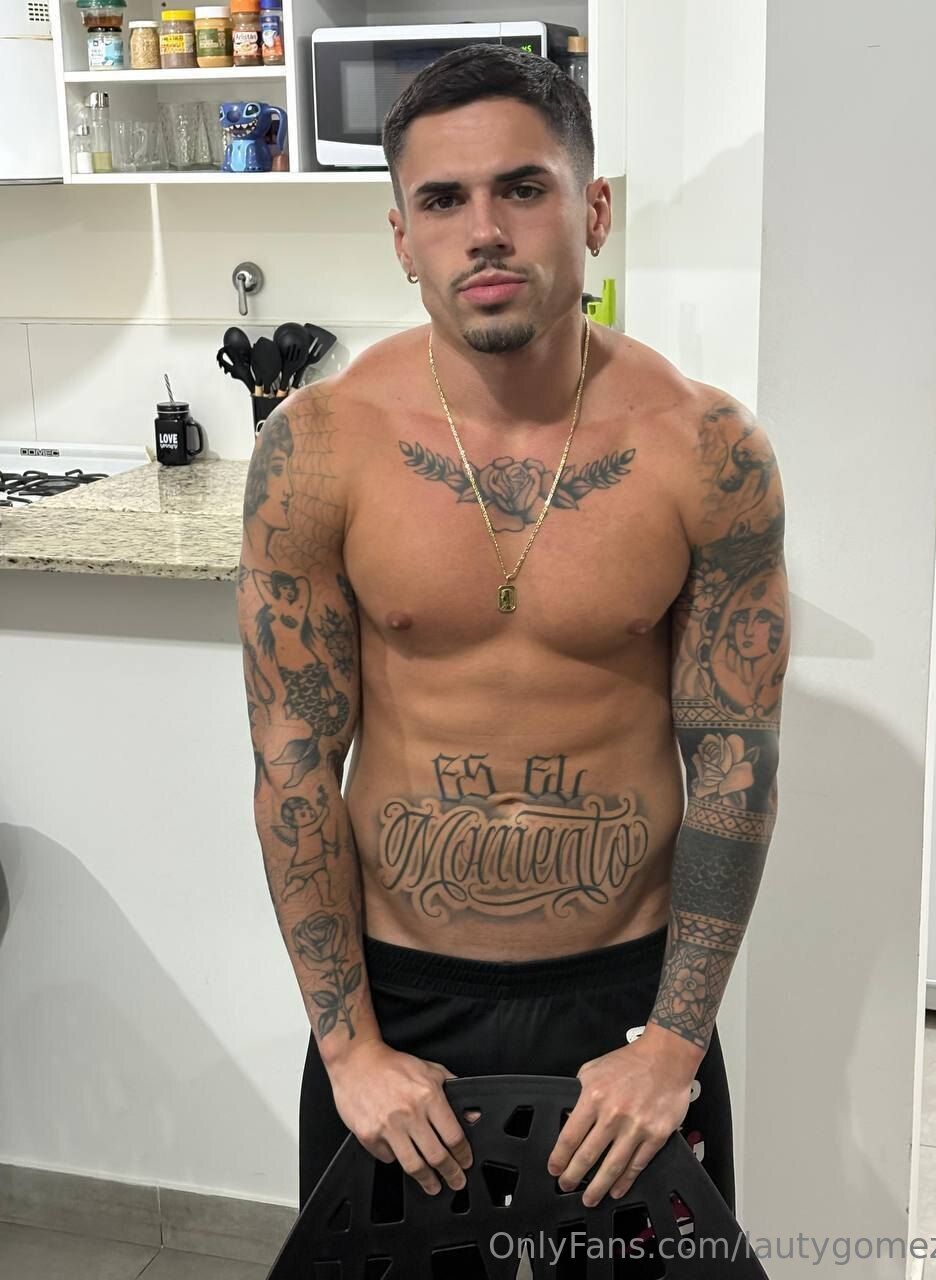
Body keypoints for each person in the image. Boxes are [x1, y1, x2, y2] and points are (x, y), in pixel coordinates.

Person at [236, 44, 790, 1239]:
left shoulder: (705, 449)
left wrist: (673, 1044)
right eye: (442, 200)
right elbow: (292, 760)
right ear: (402, 237)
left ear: (593, 210)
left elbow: (734, 761)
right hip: (399, 1006)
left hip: (625, 1003)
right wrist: (352, 1050)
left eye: (523, 188)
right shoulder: (319, 447)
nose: (483, 231)